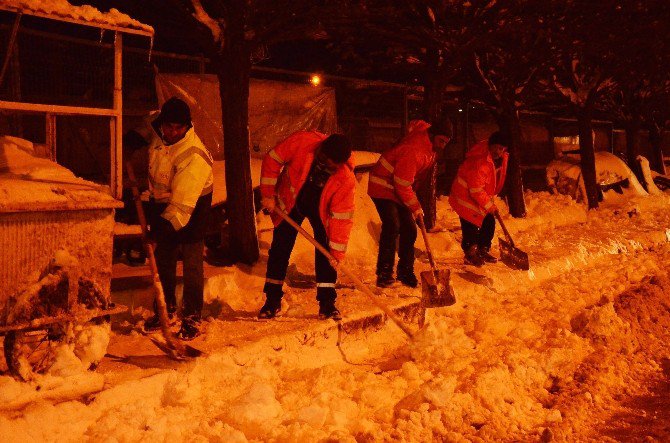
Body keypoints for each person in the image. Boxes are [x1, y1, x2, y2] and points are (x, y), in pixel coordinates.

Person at [258, 131, 355, 320]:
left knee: (326, 254)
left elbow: (342, 220)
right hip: (291, 202)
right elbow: (272, 159)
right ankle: (272, 301)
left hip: (321, 211)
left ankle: (327, 304)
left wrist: (336, 254)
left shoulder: (345, 179)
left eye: (332, 165)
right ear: (322, 150)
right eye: (325, 160)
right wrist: (268, 194)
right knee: (280, 248)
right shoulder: (303, 143)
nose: (327, 165)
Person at [140, 97, 214, 340]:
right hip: (164, 203)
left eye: (178, 128)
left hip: (193, 207)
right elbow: (147, 124)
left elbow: (182, 207)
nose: (172, 132)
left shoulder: (193, 156)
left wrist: (162, 227)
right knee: (163, 258)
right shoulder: (159, 133)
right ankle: (167, 309)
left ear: (187, 126)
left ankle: (192, 316)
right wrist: (135, 138)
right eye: (168, 127)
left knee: (192, 262)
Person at [367, 119, 453, 288]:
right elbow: (402, 183)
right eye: (441, 141)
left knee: (410, 229)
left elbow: (417, 123)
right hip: (383, 185)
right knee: (392, 224)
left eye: (446, 142)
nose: (443, 145)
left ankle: (405, 271)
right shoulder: (415, 150)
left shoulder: (429, 144)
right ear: (433, 135)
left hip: (399, 186)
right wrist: (415, 206)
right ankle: (384, 273)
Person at [449, 131, 509, 266]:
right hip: (464, 197)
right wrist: (489, 206)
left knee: (489, 221)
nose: (498, 151)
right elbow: (475, 190)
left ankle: (483, 249)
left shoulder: (489, 160)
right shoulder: (481, 162)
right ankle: (470, 254)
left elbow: (483, 186)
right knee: (470, 224)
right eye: (496, 147)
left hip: (473, 195)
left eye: (501, 148)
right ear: (490, 145)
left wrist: (489, 203)